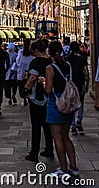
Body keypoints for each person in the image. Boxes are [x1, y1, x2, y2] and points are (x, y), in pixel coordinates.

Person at [38, 40, 79, 178]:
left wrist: (43, 82)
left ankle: (63, 169)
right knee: (66, 137)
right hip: (68, 103)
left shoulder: (50, 68)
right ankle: (74, 167)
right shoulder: (67, 65)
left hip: (55, 104)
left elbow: (48, 90)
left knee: (58, 138)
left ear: (50, 52)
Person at [23, 38, 54, 162]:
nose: (33, 55)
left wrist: (25, 89)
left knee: (36, 126)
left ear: (36, 50)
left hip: (37, 98)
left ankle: (34, 153)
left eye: (33, 52)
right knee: (47, 126)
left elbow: (32, 78)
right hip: (49, 97)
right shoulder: (51, 61)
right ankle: (49, 149)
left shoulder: (35, 62)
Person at [67, 41, 89, 135]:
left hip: (71, 84)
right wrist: (87, 83)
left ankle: (72, 126)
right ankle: (79, 121)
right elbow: (86, 72)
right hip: (81, 83)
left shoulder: (67, 59)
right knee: (80, 103)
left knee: (72, 104)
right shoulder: (82, 59)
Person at [16, 38, 34, 106]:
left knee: (22, 85)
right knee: (29, 84)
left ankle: (24, 99)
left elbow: (18, 61)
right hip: (29, 71)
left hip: (22, 71)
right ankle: (29, 97)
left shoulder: (21, 51)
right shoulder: (31, 52)